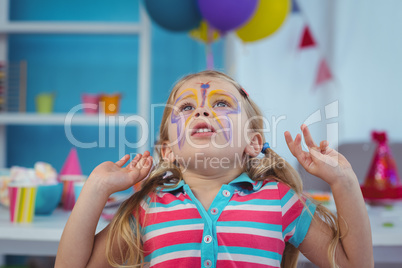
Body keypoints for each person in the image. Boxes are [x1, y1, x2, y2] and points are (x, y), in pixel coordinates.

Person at [55, 70, 373, 268]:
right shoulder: (148, 206)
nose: (203, 109)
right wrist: (95, 188)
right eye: (187, 107)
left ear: (253, 142)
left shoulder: (281, 200)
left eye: (221, 103)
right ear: (168, 150)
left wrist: (344, 182)